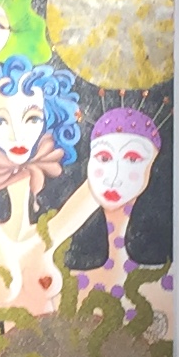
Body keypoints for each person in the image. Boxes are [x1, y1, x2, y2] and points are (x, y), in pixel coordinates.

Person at [0, 55, 96, 314]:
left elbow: (95, 191)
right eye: (0, 121)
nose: (16, 134)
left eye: (32, 119)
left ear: (50, 118)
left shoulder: (59, 218)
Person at [69, 108, 163, 294]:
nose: (114, 178)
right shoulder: (66, 280)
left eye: (132, 159)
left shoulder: (162, 281)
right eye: (104, 158)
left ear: (153, 164)